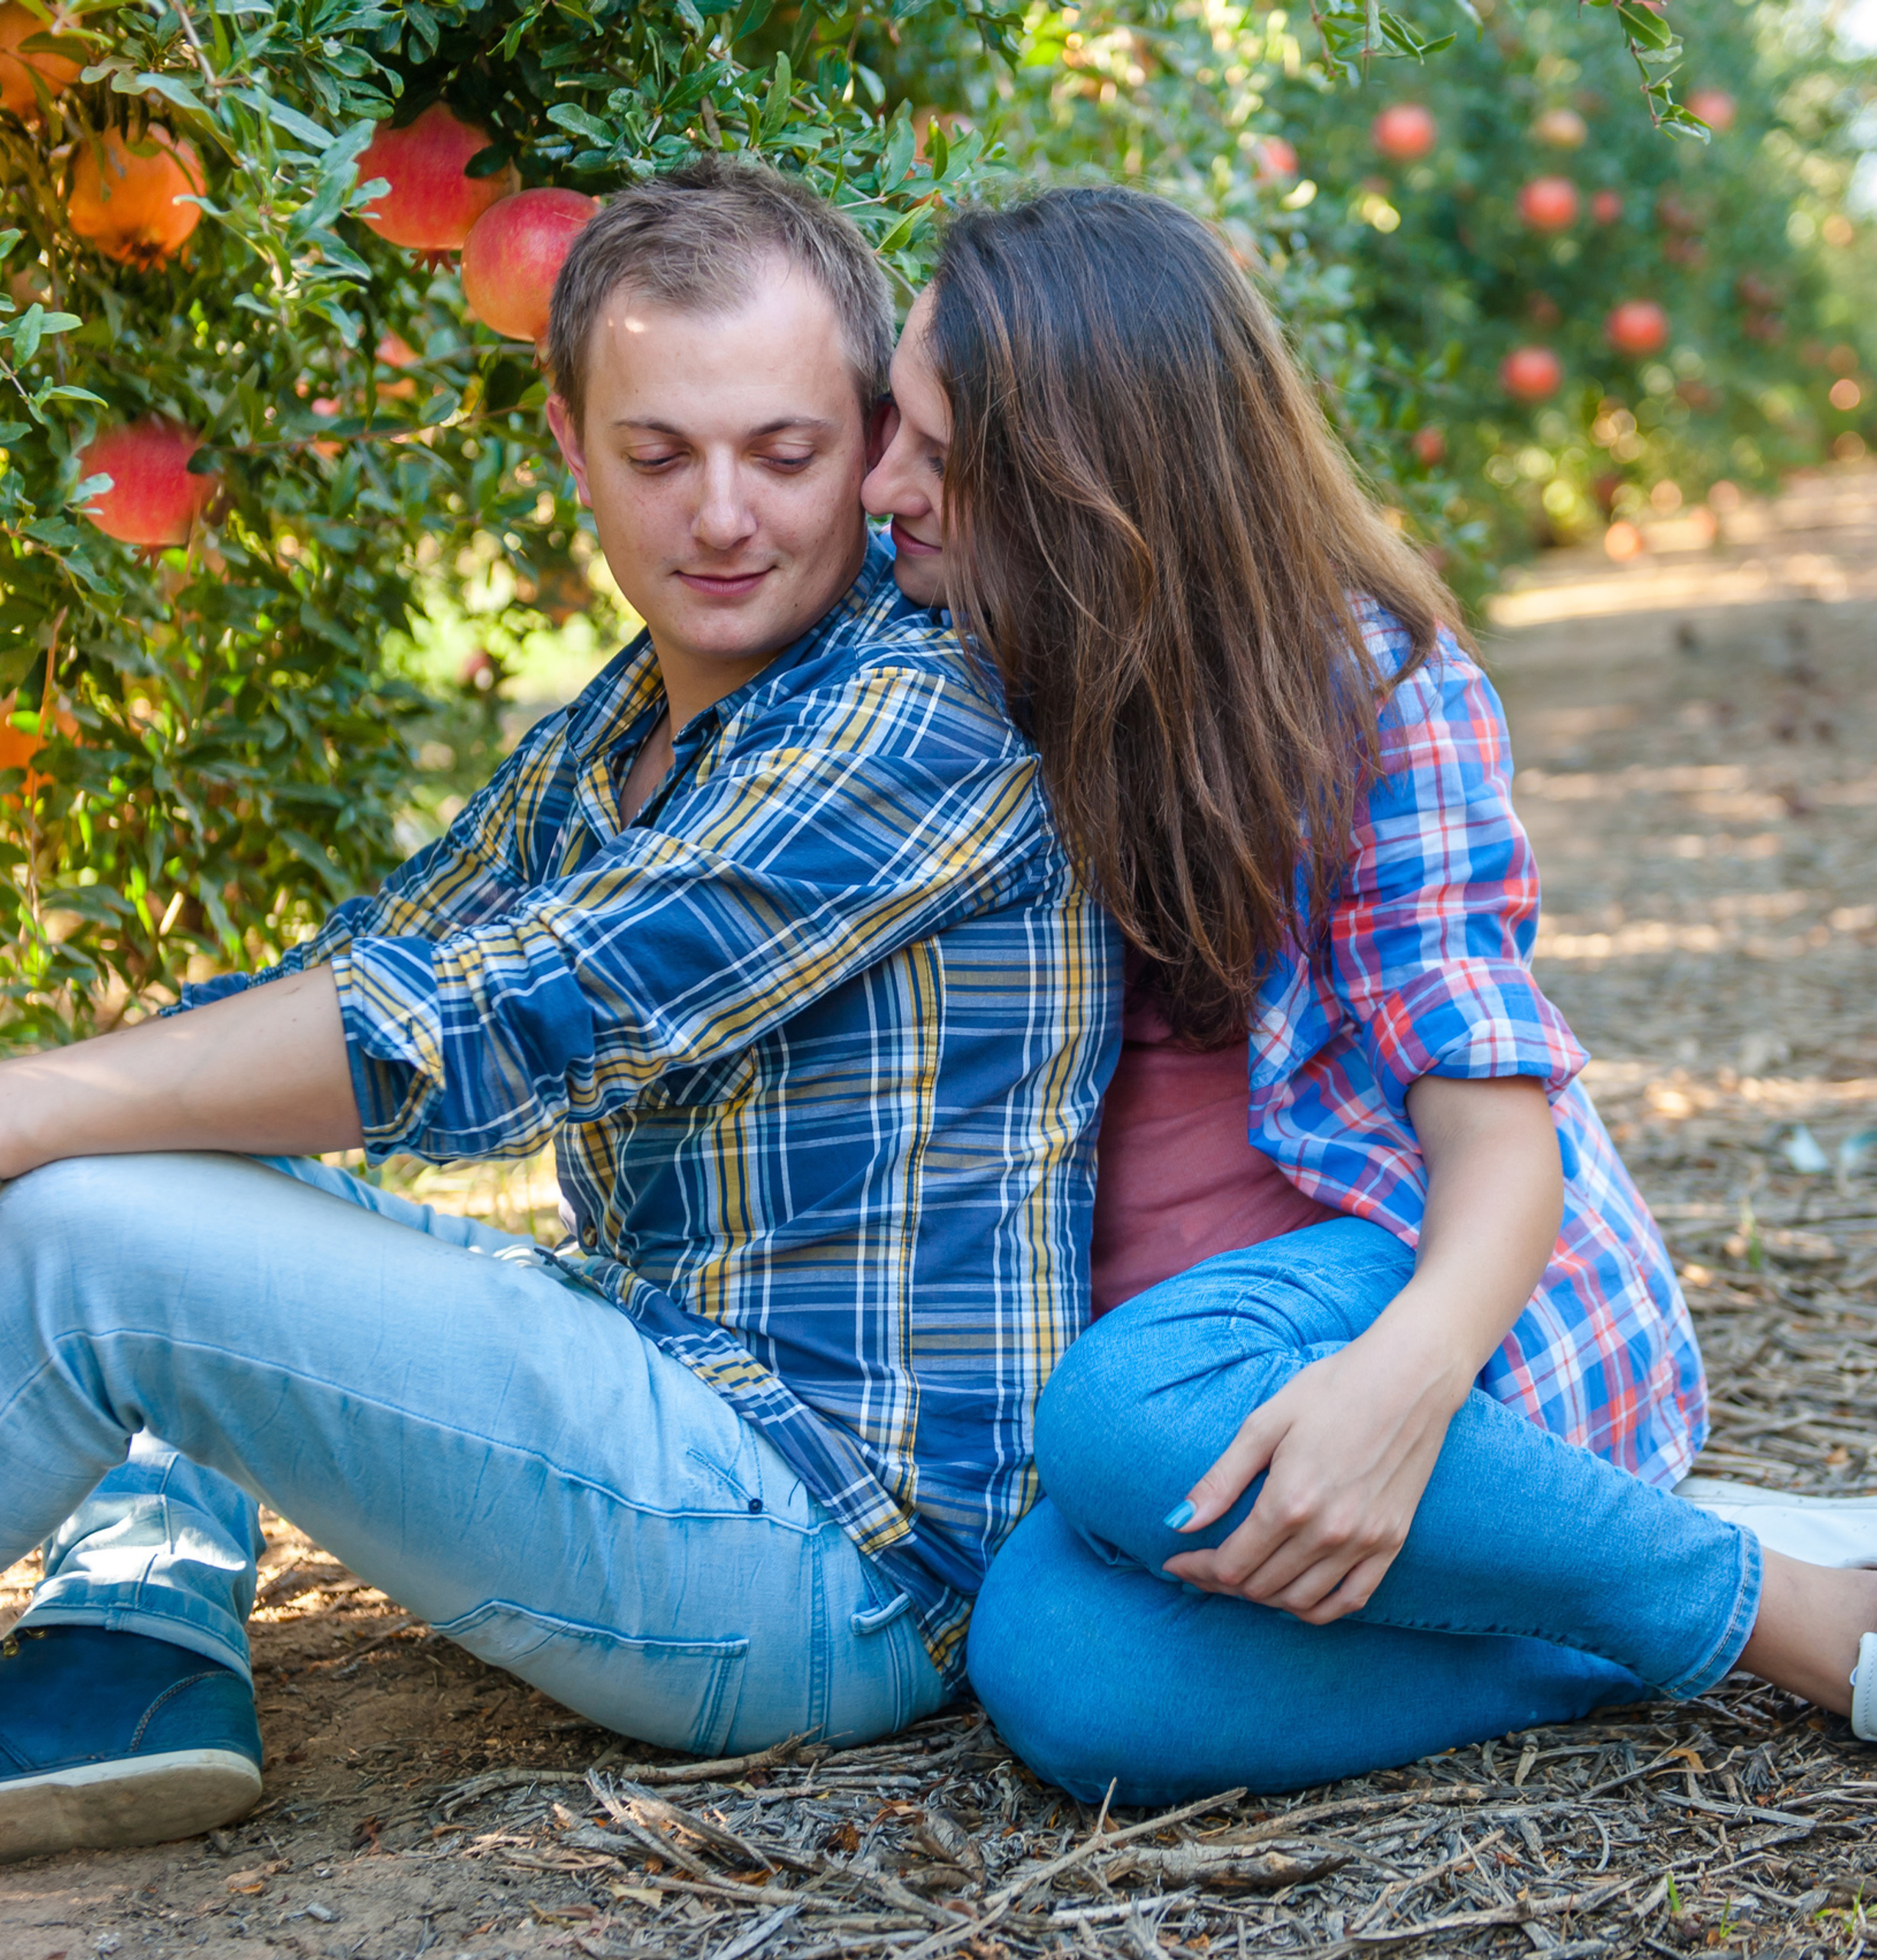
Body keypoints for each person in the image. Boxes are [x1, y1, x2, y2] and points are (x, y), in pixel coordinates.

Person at [0, 158, 1118, 1862]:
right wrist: (80, 1082)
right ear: (568, 448)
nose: (722, 516)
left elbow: (496, 1020)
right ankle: (139, 1638)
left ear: (876, 439)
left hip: (835, 1554)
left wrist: (45, 1103)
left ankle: (138, 1594)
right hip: (664, 1394)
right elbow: (365, 965)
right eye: (659, 456)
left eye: (785, 452)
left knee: (92, 1221)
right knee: (174, 1168)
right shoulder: (621, 731)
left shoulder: (916, 711)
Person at [859, 184, 1877, 1802]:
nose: (884, 482)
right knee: (1055, 1665)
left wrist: (1399, 1380)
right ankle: (1607, 1591)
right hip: (1202, 1425)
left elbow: (1504, 1145)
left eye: (935, 453)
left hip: (1426, 1310)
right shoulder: (951, 686)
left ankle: (1807, 1616)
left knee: (1122, 1409)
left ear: (1081, 472)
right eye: (889, 425)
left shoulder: (1363, 687)